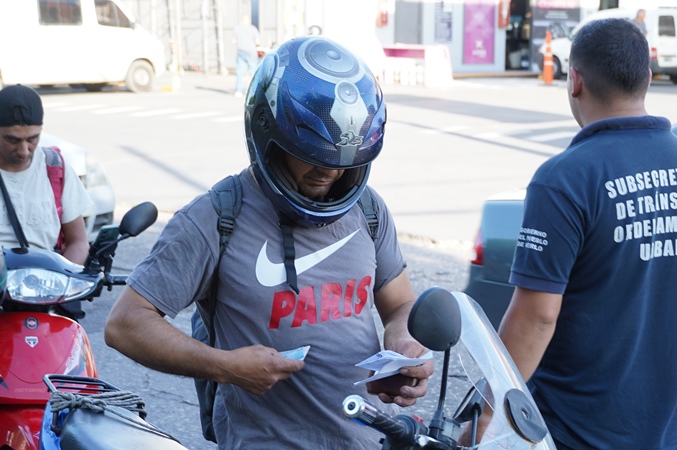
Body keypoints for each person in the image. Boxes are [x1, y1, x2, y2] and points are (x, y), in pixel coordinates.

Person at [104, 36, 434, 449]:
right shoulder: (215, 217)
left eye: (340, 162)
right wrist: (224, 366)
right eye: (311, 156)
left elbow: (400, 303)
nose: (328, 173)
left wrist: (402, 342)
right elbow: (125, 324)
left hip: (370, 438)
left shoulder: (367, 209)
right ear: (268, 135)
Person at [498, 18, 677, 449]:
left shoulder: (564, 178)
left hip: (575, 432)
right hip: (665, 432)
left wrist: (491, 410)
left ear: (575, 80)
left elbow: (537, 315)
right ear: (647, 77)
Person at [0, 85, 93, 317]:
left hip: (44, 300)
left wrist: (63, 282)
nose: (24, 151)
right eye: (12, 140)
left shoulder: (55, 167)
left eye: (32, 139)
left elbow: (78, 241)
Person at [232, 14, 260, 98]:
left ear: (242, 20)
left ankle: (238, 91)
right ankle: (253, 92)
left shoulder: (237, 28)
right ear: (249, 21)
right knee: (253, 72)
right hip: (251, 52)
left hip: (241, 52)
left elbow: (233, 41)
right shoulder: (253, 29)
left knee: (240, 72)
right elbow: (257, 42)